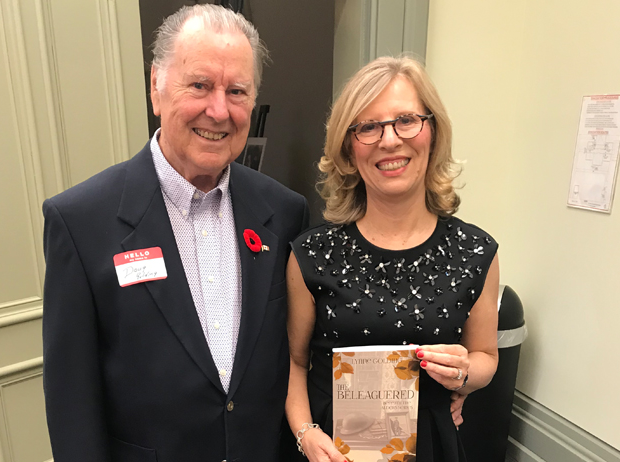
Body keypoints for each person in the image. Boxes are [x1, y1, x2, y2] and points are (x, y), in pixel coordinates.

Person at [42, 5, 309, 462]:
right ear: (156, 87)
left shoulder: (284, 212)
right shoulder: (80, 221)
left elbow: (291, 358)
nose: (219, 110)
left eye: (237, 91)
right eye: (200, 85)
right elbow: (72, 403)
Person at [284, 56, 499, 462]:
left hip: (431, 445)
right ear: (349, 150)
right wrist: (305, 433)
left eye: (406, 120)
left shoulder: (475, 251)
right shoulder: (311, 254)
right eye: (368, 127)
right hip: (332, 451)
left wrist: (464, 374)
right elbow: (294, 363)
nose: (389, 140)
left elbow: (486, 356)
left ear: (432, 132)